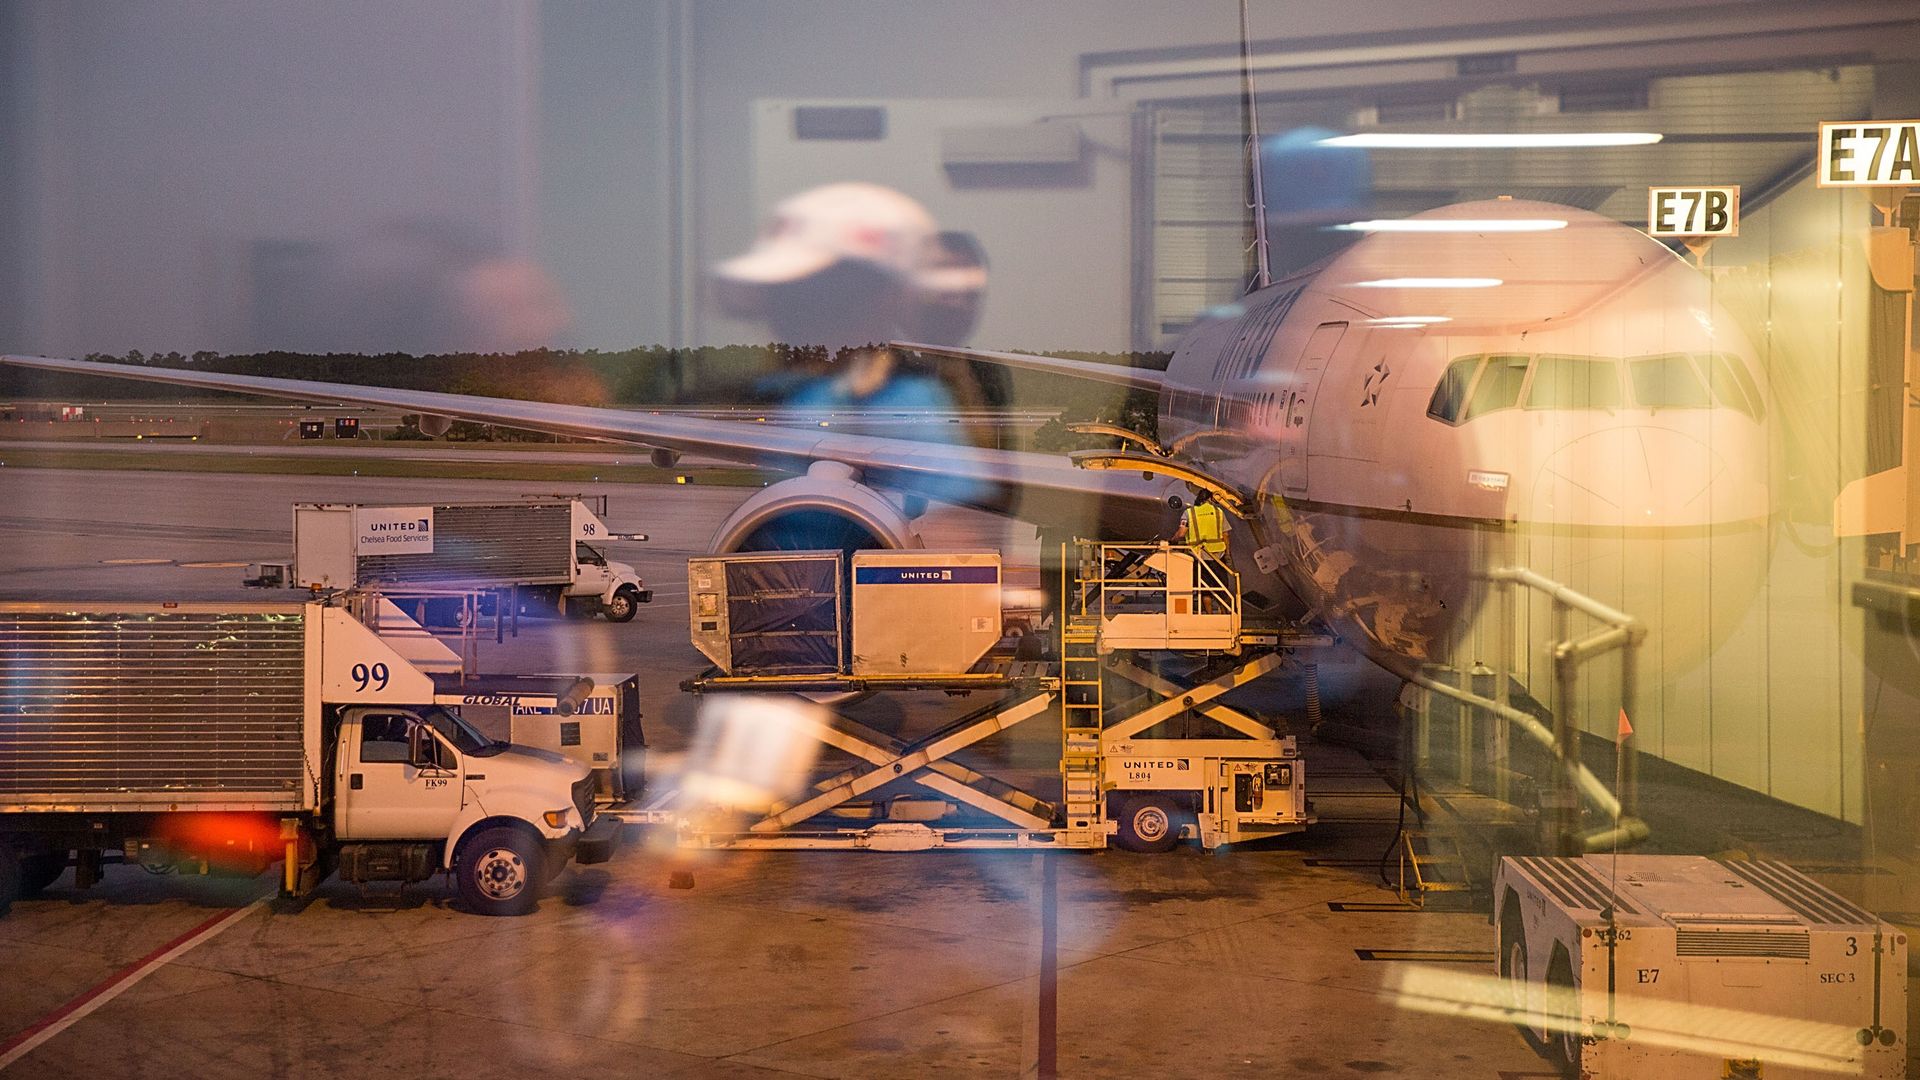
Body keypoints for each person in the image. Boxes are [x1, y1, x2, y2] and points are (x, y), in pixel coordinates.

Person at [1173, 488, 1231, 558]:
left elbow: (1181, 533)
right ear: (1210, 498)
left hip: (1197, 555)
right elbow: (1225, 535)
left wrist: (1172, 540)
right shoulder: (1219, 512)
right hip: (1218, 555)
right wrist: (1227, 554)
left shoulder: (1189, 513)